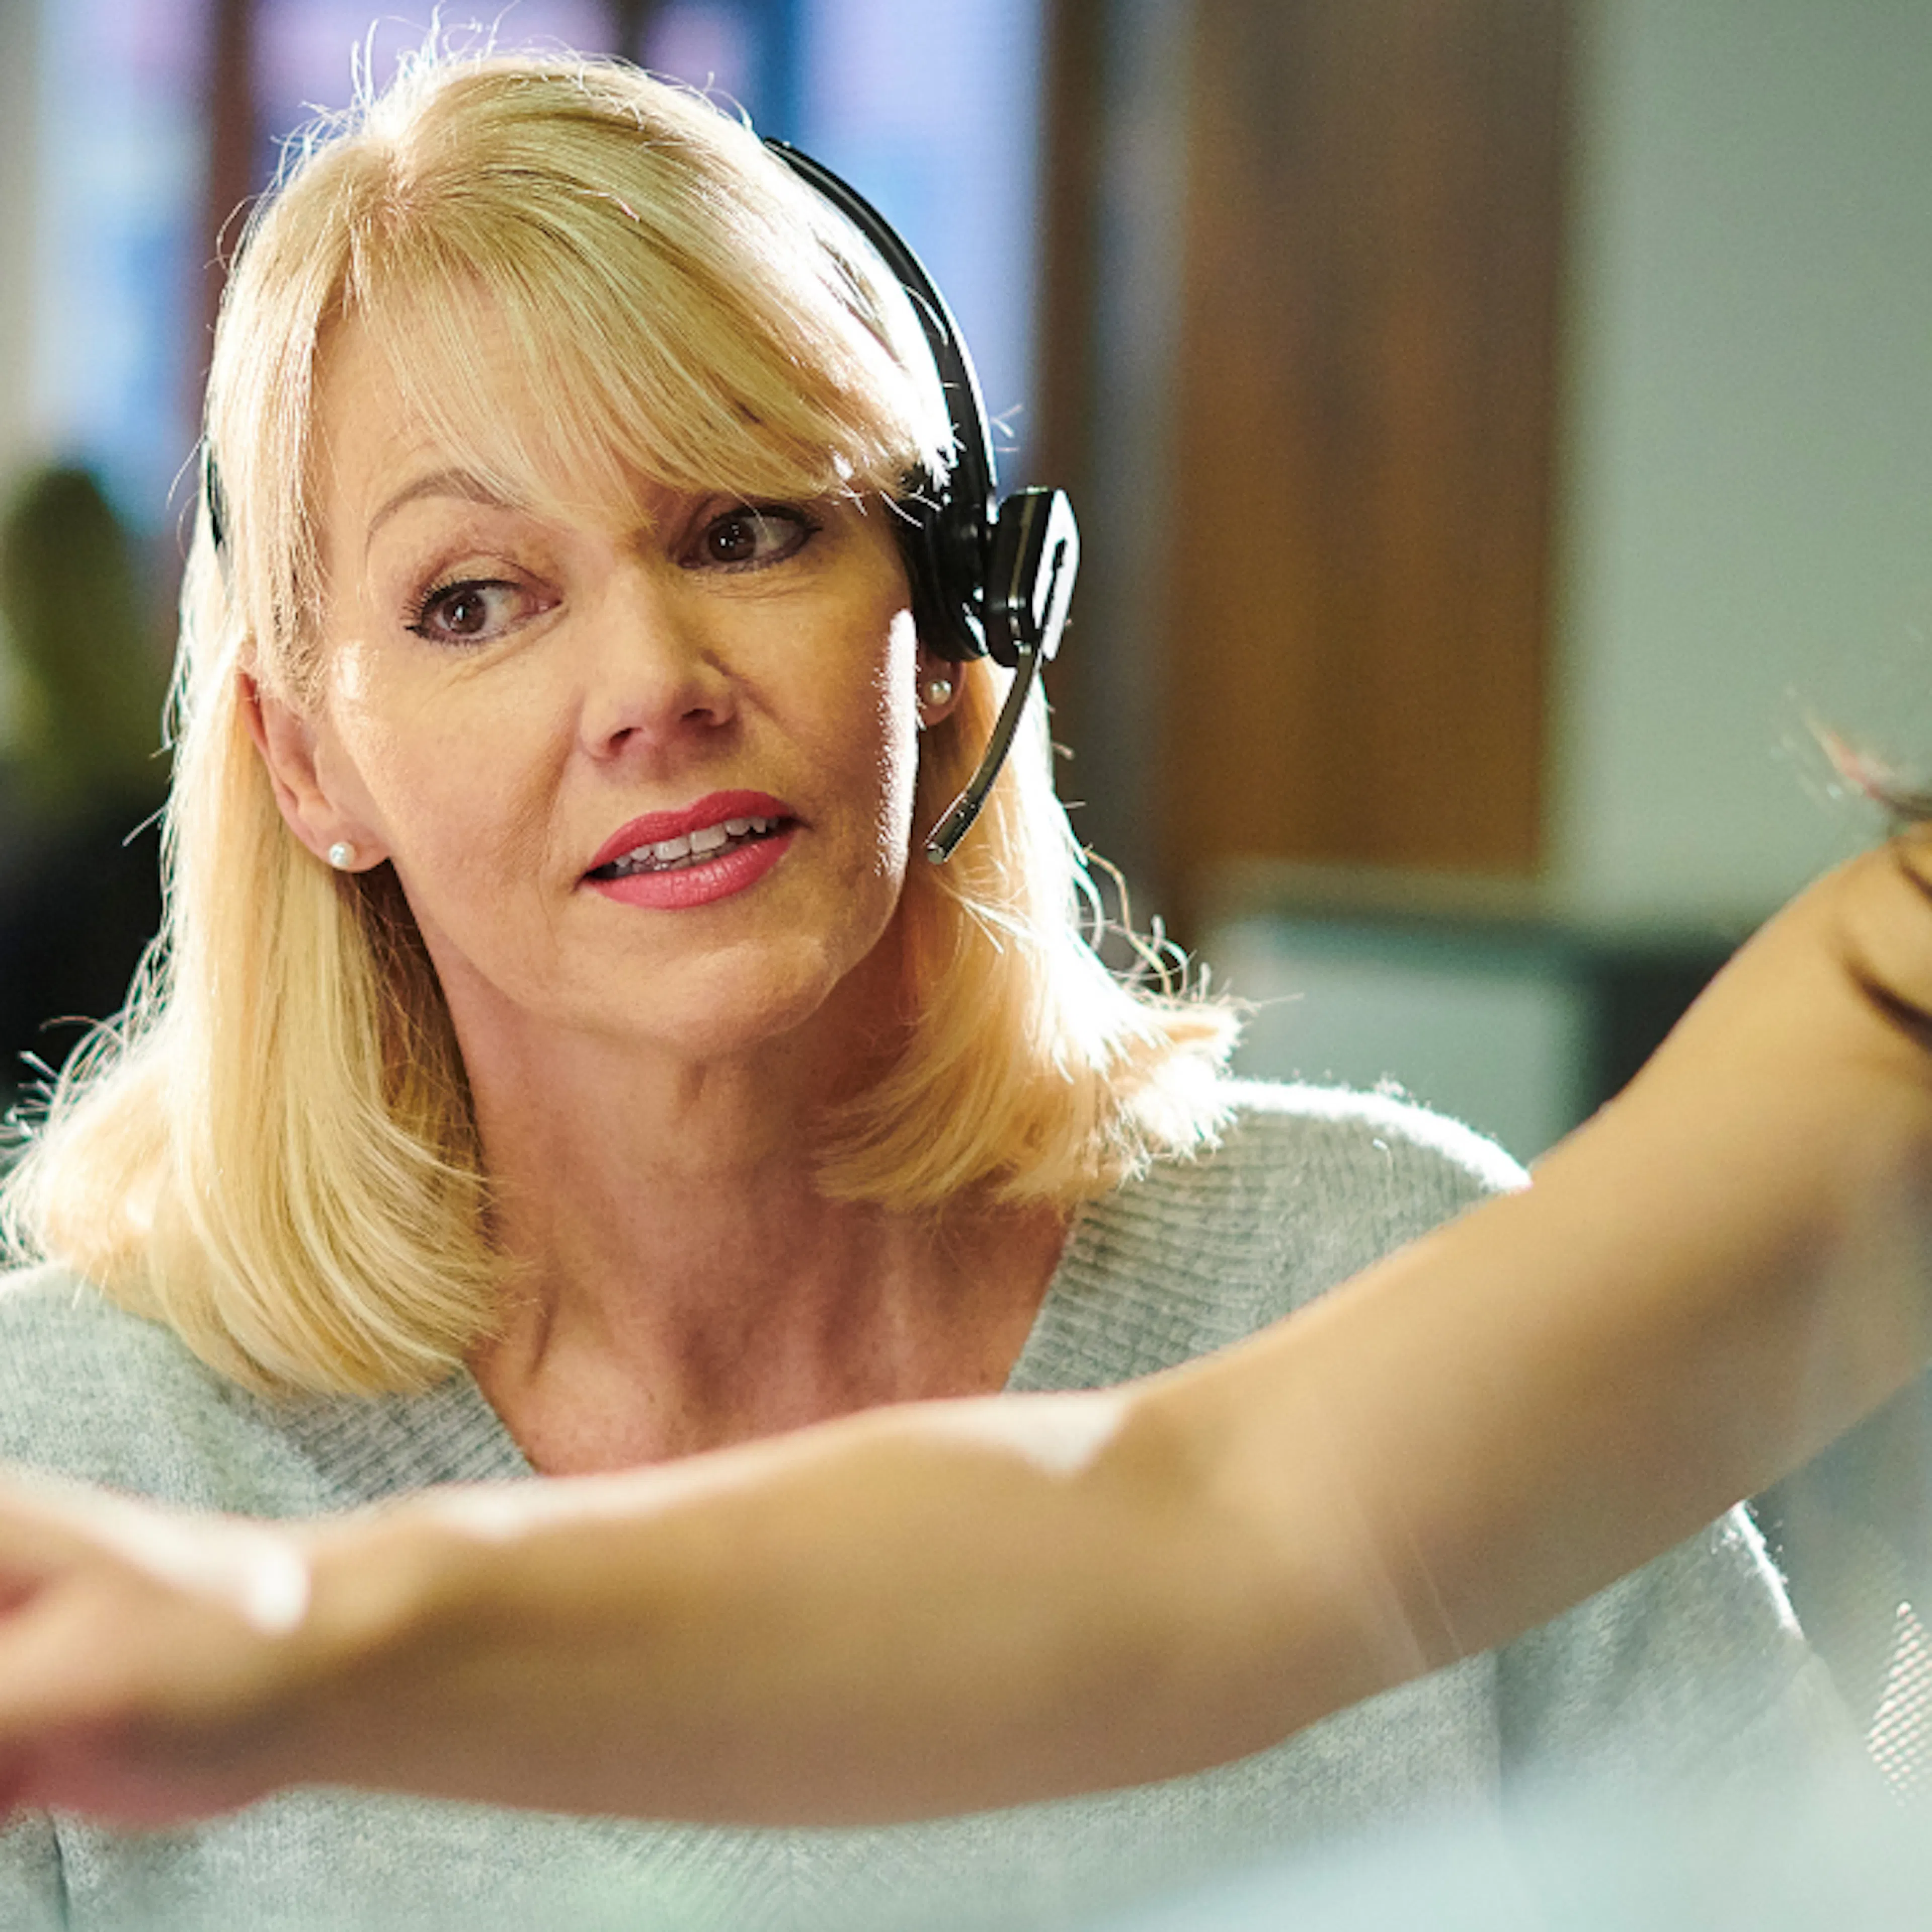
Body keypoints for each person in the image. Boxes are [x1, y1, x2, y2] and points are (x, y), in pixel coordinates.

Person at [0, 42, 1872, 1931]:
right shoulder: (62, 1461)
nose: (654, 681)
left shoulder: (1380, 1268)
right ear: (305, 764)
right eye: (474, 599)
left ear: (950, 619)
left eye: (748, 528)